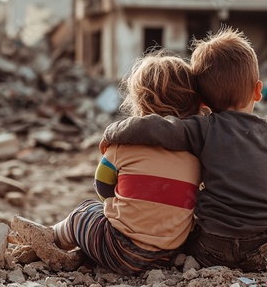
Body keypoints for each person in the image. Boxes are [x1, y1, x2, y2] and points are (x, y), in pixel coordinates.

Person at [99, 27, 267, 272]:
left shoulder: (203, 129)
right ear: (258, 90)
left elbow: (157, 128)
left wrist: (113, 132)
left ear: (202, 101)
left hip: (211, 249)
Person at [14, 52, 203, 274]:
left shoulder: (124, 144)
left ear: (140, 101)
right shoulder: (196, 154)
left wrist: (126, 204)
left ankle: (53, 237)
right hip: (167, 257)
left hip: (118, 251)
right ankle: (86, 252)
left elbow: (102, 185)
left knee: (85, 211)